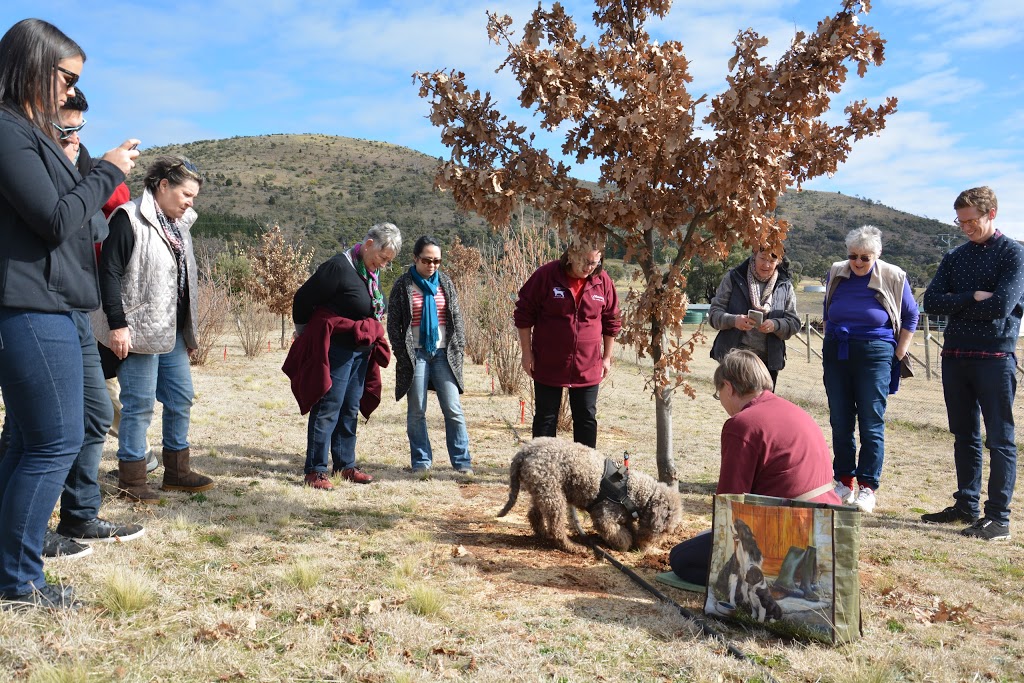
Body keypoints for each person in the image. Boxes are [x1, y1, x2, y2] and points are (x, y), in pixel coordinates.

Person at [0, 18, 139, 610]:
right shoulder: (8, 132)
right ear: (33, 65)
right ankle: (19, 580)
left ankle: (10, 569)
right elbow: (56, 220)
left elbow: (74, 219)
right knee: (54, 441)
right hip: (31, 305)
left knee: (29, 442)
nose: (69, 93)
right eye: (66, 78)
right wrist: (106, 171)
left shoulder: (27, 133)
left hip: (50, 303)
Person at [93, 155, 213, 504]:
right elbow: (109, 273)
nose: (190, 203)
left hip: (171, 332)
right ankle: (133, 480)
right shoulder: (128, 218)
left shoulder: (179, 227)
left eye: (194, 198)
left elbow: (184, 282)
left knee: (180, 398)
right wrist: (117, 325)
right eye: (186, 195)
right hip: (137, 330)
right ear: (163, 186)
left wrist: (188, 333)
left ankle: (177, 472)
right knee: (139, 405)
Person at [668, 350, 840, 586]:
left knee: (681, 559)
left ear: (728, 387)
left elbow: (730, 501)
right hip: (828, 529)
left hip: (787, 533)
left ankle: (763, 580)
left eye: (719, 394)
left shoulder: (742, 424)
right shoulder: (795, 410)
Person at [921, 187, 1024, 541]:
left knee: (999, 438)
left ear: (991, 213)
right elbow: (931, 302)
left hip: (995, 357)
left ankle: (998, 518)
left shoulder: (1014, 254)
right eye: (959, 221)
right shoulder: (954, 257)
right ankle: (967, 505)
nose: (965, 227)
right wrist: (971, 297)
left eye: (971, 220)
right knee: (963, 435)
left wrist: (959, 304)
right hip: (955, 355)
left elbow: (1001, 307)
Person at [289, 223, 401, 489]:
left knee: (350, 407)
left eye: (388, 261)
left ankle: (345, 465)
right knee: (329, 406)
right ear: (370, 244)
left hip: (361, 351)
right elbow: (303, 299)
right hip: (336, 349)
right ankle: (315, 470)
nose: (384, 265)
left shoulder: (369, 271)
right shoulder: (339, 267)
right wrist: (306, 335)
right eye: (382, 258)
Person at [822, 226, 918, 514]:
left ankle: (868, 487)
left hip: (876, 353)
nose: (858, 262)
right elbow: (828, 309)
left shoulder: (893, 275)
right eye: (853, 256)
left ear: (877, 255)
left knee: (870, 422)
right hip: (838, 351)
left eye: (865, 257)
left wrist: (898, 352)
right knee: (840, 419)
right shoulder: (837, 272)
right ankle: (843, 481)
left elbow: (911, 314)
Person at [514, 236, 621, 448]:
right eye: (584, 261)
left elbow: (612, 321)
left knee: (586, 418)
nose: (588, 268)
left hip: (588, 364)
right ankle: (542, 466)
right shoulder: (546, 276)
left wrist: (607, 357)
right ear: (570, 255)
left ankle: (585, 469)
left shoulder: (603, 282)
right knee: (546, 417)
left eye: (594, 263)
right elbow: (523, 316)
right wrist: (527, 353)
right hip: (549, 361)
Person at [388, 236, 472, 475]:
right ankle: (422, 462)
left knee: (453, 408)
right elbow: (394, 323)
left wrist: (459, 349)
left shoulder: (445, 282)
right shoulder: (403, 285)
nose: (432, 265)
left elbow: (456, 319)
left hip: (444, 354)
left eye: (437, 261)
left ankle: (462, 463)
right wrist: (402, 352)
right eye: (427, 260)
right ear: (415, 259)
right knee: (417, 410)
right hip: (415, 355)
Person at [709, 248, 801, 390]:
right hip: (735, 359)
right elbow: (714, 314)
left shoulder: (785, 285)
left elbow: (794, 323)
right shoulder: (734, 277)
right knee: (738, 409)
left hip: (768, 362)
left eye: (772, 260)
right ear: (754, 254)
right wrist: (734, 320)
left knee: (763, 409)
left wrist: (776, 325)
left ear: (779, 261)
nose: (766, 265)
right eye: (762, 258)